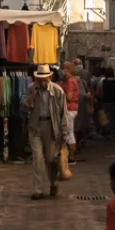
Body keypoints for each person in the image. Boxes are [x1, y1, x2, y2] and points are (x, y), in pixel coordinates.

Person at [22, 63, 68, 200]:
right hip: (35, 126)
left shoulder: (58, 91)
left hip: (51, 127)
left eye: (44, 79)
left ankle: (53, 183)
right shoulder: (31, 89)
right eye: (39, 79)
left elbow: (63, 113)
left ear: (50, 77)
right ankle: (38, 190)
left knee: (50, 159)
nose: (42, 82)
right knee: (38, 159)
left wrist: (64, 132)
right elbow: (23, 107)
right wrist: (33, 96)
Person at [61, 61, 80, 162]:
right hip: (70, 109)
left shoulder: (70, 81)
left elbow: (69, 97)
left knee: (69, 133)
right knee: (69, 132)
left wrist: (60, 91)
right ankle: (71, 155)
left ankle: (71, 157)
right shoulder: (70, 80)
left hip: (69, 109)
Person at [98, 67, 115, 136]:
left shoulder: (103, 82)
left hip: (105, 102)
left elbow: (100, 93)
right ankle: (113, 132)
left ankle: (106, 132)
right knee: (114, 117)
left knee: (106, 118)